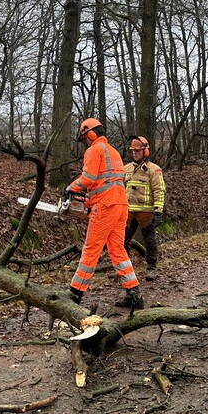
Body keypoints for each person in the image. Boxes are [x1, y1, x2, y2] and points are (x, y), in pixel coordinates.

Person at [65, 118, 145, 312]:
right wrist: (88, 199)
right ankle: (135, 294)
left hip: (106, 205)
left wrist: (70, 188)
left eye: (85, 137)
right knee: (118, 250)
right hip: (120, 204)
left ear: (91, 133)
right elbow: (103, 181)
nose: (85, 141)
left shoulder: (94, 150)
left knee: (91, 249)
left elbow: (89, 177)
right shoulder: (113, 151)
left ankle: (74, 294)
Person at [123, 136, 166, 281]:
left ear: (145, 151)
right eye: (133, 151)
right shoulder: (126, 169)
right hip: (128, 212)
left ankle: (151, 268)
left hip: (146, 212)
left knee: (149, 240)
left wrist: (158, 211)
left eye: (138, 151)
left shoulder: (154, 170)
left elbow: (159, 190)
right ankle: (125, 269)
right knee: (122, 241)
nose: (135, 153)